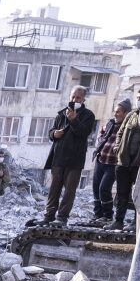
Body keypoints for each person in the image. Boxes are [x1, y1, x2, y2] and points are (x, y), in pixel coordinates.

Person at [43, 86, 98, 226]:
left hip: (74, 160)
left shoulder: (88, 115)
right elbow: (51, 131)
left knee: (69, 192)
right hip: (58, 158)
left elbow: (84, 132)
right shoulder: (62, 113)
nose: (75, 100)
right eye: (73, 97)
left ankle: (62, 218)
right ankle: (48, 216)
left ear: (83, 99)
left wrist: (73, 119)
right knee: (53, 190)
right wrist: (54, 134)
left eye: (78, 97)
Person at [113, 91, 140, 231]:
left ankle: (136, 223)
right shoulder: (131, 115)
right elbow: (120, 132)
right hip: (124, 161)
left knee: (138, 194)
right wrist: (117, 148)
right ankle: (118, 221)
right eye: (138, 98)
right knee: (121, 193)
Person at [91, 101, 128, 225]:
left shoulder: (127, 127)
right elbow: (102, 136)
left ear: (125, 113)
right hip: (101, 159)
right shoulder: (110, 123)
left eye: (118, 111)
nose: (115, 114)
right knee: (96, 188)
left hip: (113, 163)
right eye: (115, 111)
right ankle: (98, 215)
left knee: (104, 189)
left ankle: (107, 216)